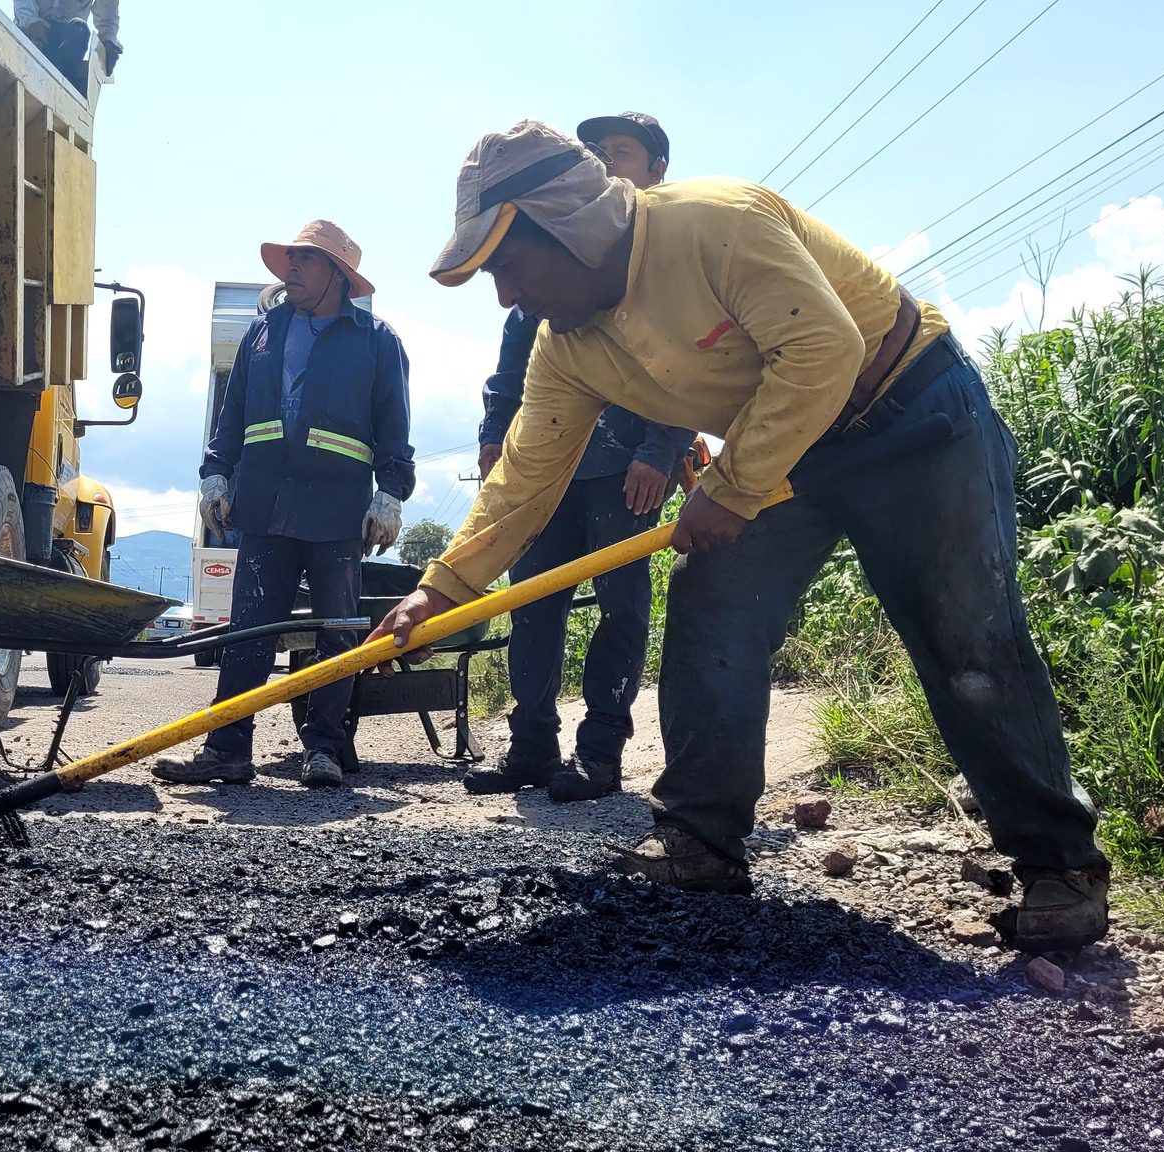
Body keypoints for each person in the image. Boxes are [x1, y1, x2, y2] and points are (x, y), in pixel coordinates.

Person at [372, 121, 1110, 951]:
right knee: (715, 608)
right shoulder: (567, 346)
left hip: (909, 411)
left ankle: (1061, 870)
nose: (506, 295)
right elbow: (523, 479)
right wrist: (442, 588)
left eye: (506, 265)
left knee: (966, 636)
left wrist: (729, 488)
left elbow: (823, 346)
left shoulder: (714, 222)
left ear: (567, 226)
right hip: (787, 443)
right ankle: (701, 839)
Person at [463, 111, 694, 803]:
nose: (607, 163)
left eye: (620, 153)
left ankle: (600, 753)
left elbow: (684, 369)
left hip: (628, 472)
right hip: (549, 472)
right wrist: (492, 437)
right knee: (531, 603)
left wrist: (658, 449)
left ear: (656, 169)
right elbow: (511, 368)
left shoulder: (663, 261)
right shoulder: (549, 256)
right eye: (596, 154)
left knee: (623, 609)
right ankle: (531, 745)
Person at [158, 221, 414, 790]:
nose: (290, 269)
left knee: (338, 631)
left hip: (337, 512)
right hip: (265, 507)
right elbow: (232, 418)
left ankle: (323, 749)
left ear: (338, 275)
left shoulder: (376, 340)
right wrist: (216, 475)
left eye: (306, 260)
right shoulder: (262, 335)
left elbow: (394, 428)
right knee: (248, 630)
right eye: (289, 258)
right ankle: (228, 750)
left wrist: (390, 493)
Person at [15, 0, 121, 91]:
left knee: (80, 28)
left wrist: (108, 44)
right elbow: (25, 8)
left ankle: (65, 83)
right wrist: (31, 23)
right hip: (32, 35)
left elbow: (107, 15)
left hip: (70, 39)